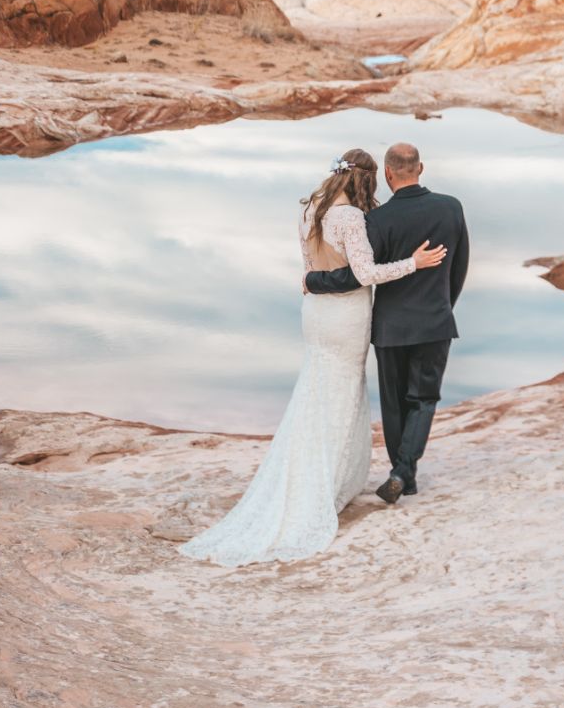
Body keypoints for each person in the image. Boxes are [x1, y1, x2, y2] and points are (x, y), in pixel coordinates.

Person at [180, 148, 446, 566]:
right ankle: (325, 486)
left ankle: (320, 476)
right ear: (366, 180)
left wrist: (312, 281)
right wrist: (413, 263)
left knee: (317, 388)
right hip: (347, 316)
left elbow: (310, 267)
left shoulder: (309, 210)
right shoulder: (351, 219)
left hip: (316, 315)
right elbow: (365, 274)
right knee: (341, 393)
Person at [305, 141, 469, 504]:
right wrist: (443, 306)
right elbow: (459, 267)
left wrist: (312, 282)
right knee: (423, 399)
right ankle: (402, 473)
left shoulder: (375, 220)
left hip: (389, 327)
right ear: (421, 169)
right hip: (435, 322)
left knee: (394, 404)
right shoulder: (451, 208)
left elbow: (357, 276)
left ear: (390, 173)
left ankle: (402, 475)